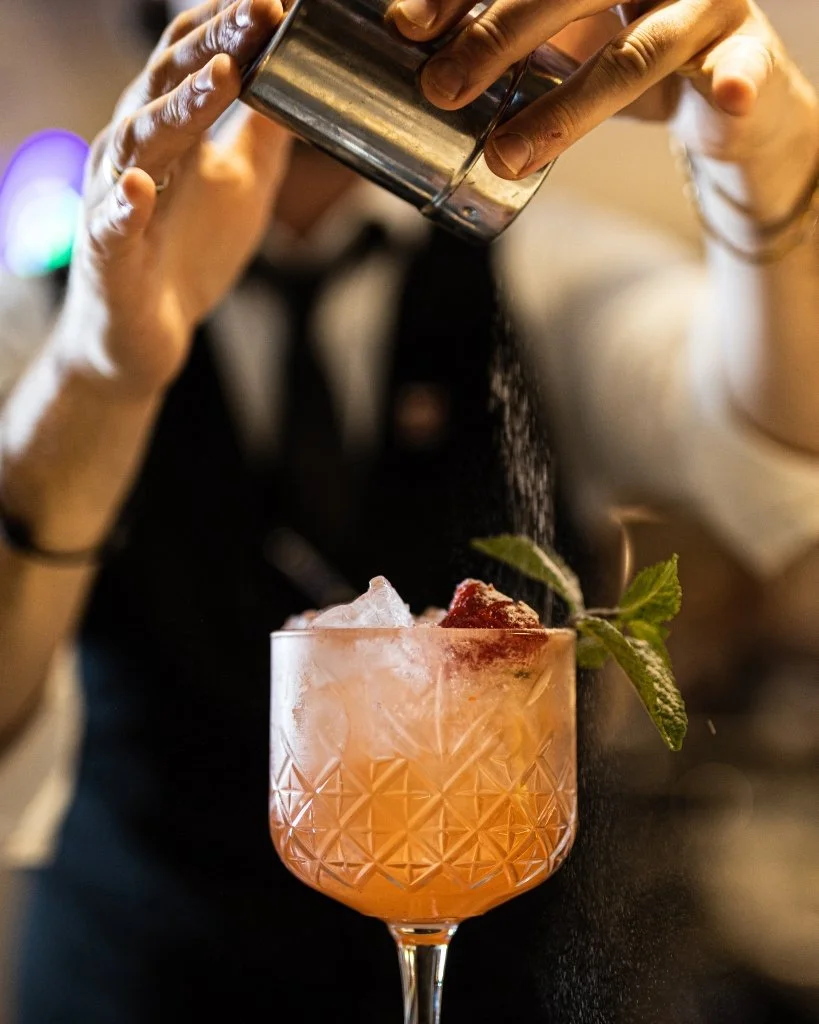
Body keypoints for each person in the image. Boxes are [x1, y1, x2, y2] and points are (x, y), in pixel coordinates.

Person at [0, 0, 818, 1020]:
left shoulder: (536, 267)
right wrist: (101, 377)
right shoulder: (35, 325)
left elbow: (778, 452)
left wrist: (771, 171)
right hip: (140, 983)